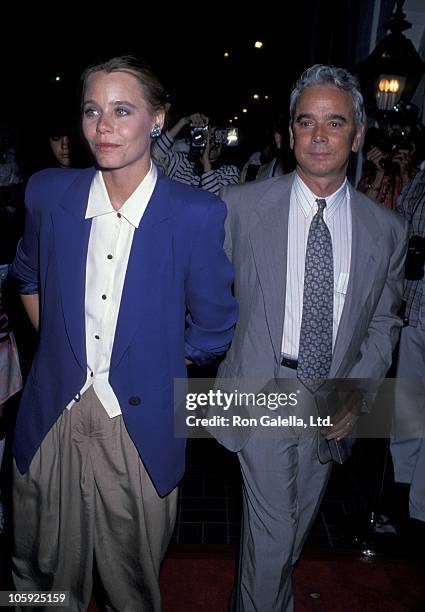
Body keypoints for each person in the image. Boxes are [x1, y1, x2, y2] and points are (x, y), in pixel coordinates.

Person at [10, 55, 237, 611]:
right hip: (53, 415)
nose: (103, 126)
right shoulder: (48, 194)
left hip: (139, 423)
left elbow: (214, 327)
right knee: (40, 578)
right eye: (92, 110)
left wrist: (153, 366)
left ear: (158, 119)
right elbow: (26, 277)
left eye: (122, 110)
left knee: (131, 583)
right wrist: (61, 357)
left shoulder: (195, 214)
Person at [216, 64, 408, 611]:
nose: (319, 136)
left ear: (357, 134)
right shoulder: (241, 208)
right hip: (263, 388)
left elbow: (383, 320)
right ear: (291, 131)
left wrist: (360, 390)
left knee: (287, 536)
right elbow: (203, 293)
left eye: (334, 123)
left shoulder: (386, 228)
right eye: (307, 122)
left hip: (333, 401)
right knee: (275, 536)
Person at [390, 167, 425, 533]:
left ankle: (420, 508)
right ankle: (402, 497)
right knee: (408, 408)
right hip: (413, 308)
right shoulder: (418, 177)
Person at [151, 112, 240, 195]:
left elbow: (218, 203)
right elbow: (155, 154)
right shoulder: (182, 162)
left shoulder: (230, 172)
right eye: (208, 137)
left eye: (218, 136)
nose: (212, 142)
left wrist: (207, 166)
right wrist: (183, 122)